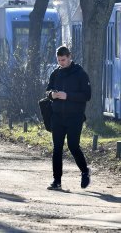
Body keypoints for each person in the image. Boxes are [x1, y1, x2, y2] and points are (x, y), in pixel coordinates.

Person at [46, 46, 91, 190]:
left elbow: (87, 95)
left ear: (69, 57)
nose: (61, 63)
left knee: (73, 146)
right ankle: (56, 180)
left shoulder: (80, 73)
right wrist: (51, 95)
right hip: (57, 116)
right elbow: (48, 90)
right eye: (59, 60)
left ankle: (85, 171)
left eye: (63, 60)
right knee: (57, 148)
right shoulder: (55, 73)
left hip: (75, 117)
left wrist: (68, 96)